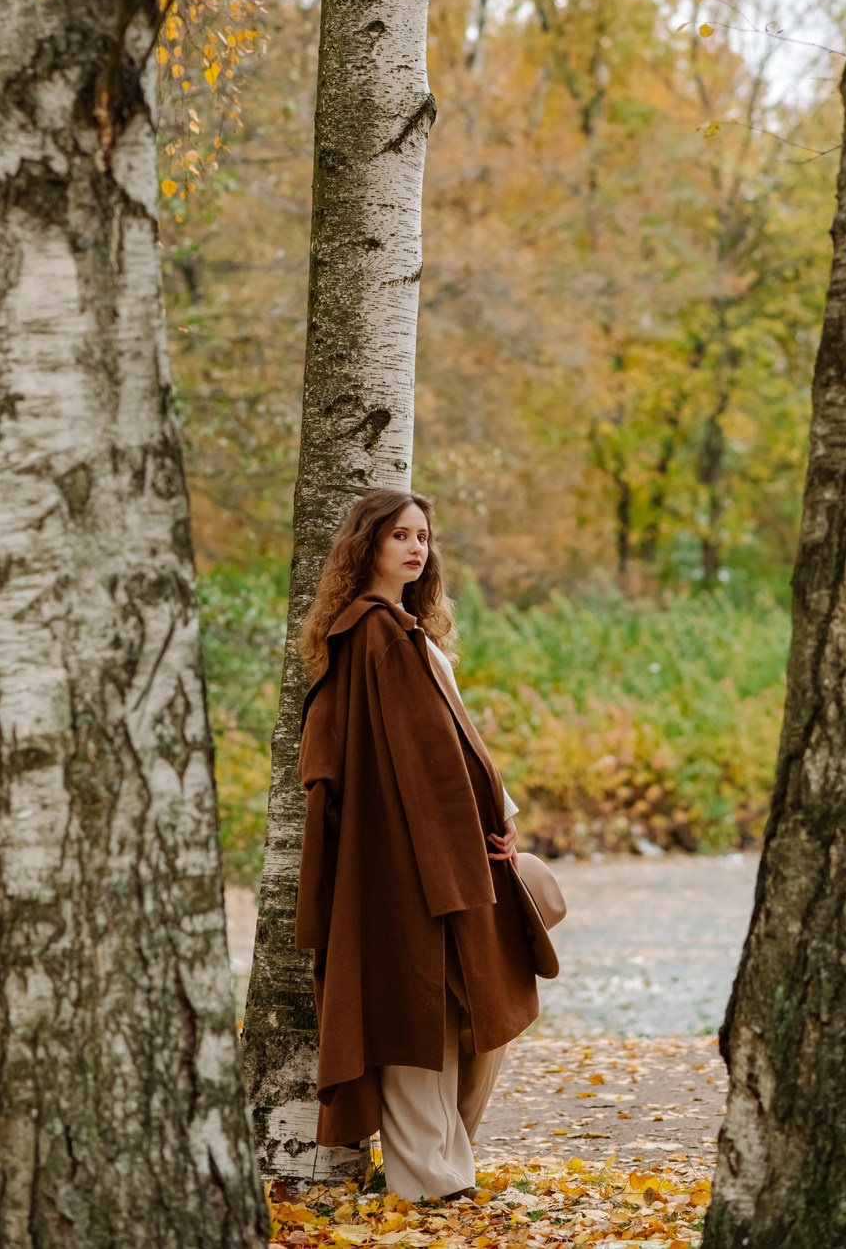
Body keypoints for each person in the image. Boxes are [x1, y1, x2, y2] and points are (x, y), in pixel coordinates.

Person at [294, 488, 540, 1200]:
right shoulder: (373, 633)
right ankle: (428, 1178)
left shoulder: (404, 631)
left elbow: (454, 737)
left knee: (470, 1005)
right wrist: (479, 826)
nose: (414, 548)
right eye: (398, 534)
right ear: (366, 543)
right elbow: (415, 758)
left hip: (449, 844)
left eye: (423, 537)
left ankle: (441, 1167)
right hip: (405, 853)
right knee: (416, 1006)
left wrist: (502, 813)